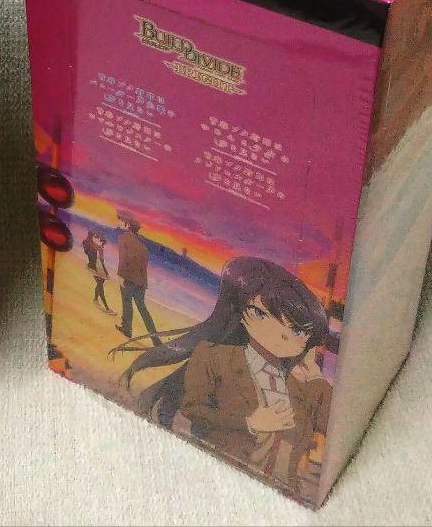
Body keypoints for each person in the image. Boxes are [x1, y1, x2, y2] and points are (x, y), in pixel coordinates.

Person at [114, 256, 332, 494]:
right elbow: (194, 409)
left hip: (281, 491)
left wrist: (315, 374)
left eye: (298, 330)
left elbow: (329, 424)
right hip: (222, 477)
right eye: (261, 314)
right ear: (240, 311)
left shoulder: (298, 384)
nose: (283, 335)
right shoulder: (214, 357)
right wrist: (249, 422)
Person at [114, 210, 158, 339]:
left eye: (120, 220)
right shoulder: (142, 242)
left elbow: (123, 259)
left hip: (128, 278)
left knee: (127, 303)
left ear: (127, 224)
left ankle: (127, 329)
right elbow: (143, 263)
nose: (118, 222)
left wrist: (120, 276)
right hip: (141, 281)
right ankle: (155, 337)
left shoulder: (123, 237)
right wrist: (143, 282)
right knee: (142, 308)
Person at [82, 229, 115, 314]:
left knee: (99, 285)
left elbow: (101, 261)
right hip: (94, 269)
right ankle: (107, 308)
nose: (99, 241)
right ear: (91, 237)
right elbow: (90, 258)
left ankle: (95, 299)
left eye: (100, 239)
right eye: (96, 238)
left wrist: (106, 272)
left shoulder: (99, 249)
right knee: (100, 287)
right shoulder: (90, 247)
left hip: (101, 269)